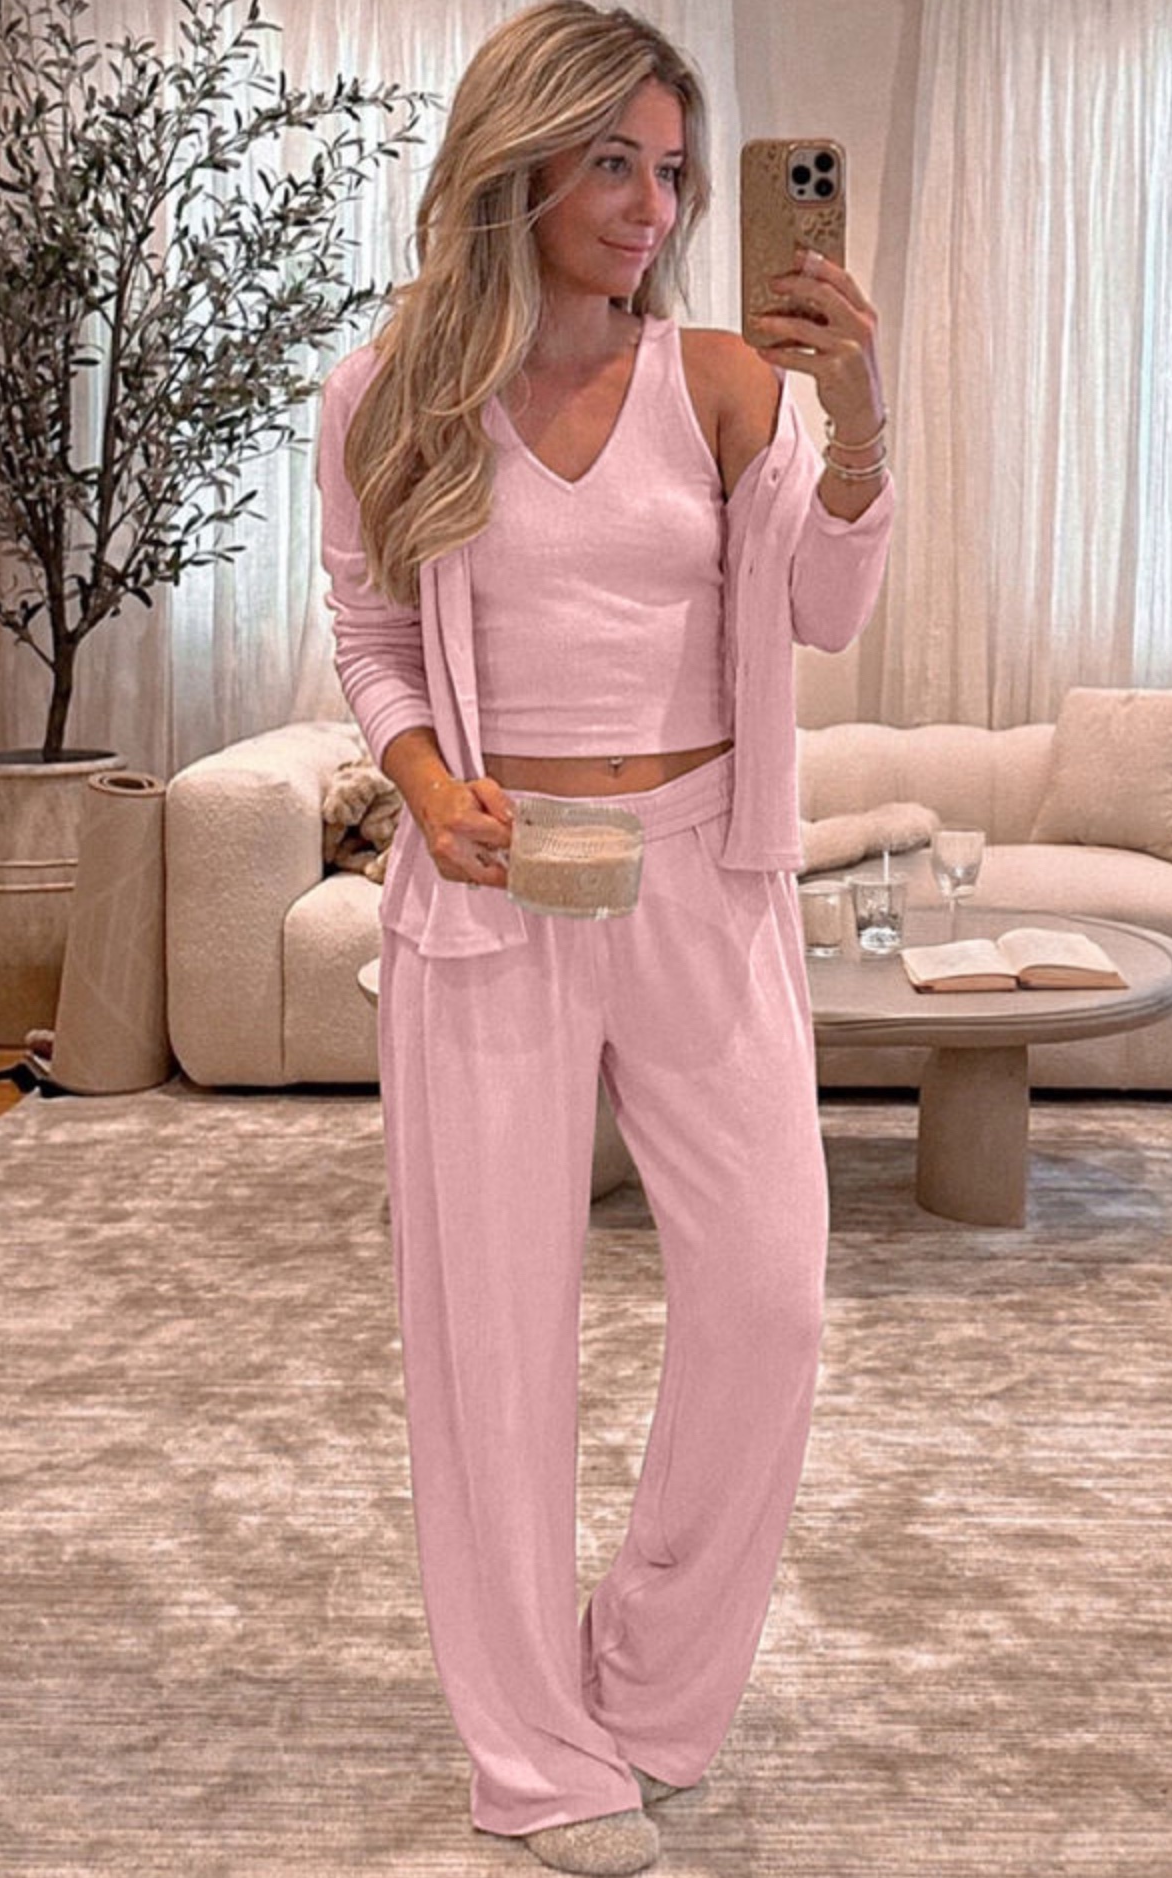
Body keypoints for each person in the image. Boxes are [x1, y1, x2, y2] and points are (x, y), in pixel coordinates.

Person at [318, 5, 892, 1872]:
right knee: (491, 1335)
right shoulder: (389, 390)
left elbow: (822, 608)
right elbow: (370, 633)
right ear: (520, 166)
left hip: (704, 873)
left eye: (673, 171)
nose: (653, 206)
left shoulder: (723, 382)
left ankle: (644, 1693)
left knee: (770, 1288)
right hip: (495, 883)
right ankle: (534, 1755)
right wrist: (424, 787)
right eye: (612, 165)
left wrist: (858, 417)